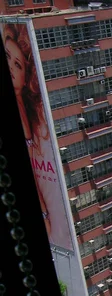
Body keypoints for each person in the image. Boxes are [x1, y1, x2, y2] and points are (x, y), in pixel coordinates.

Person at [3, 23, 73, 251]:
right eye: (7, 57)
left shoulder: (37, 117)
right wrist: (43, 211)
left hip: (55, 206)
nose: (12, 68)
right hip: (48, 208)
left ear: (27, 74)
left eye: (18, 64)